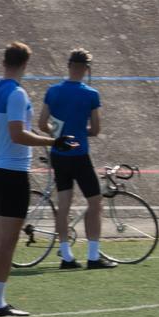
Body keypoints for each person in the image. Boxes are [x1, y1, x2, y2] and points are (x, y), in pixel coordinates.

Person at [0, 42, 78, 317]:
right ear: (25, 64)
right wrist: (54, 141)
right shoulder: (16, 93)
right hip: (12, 172)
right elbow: (18, 134)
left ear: (4, 61)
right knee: (7, 241)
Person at [38, 48, 115, 270]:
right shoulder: (91, 94)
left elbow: (43, 124)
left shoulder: (53, 91)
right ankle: (92, 255)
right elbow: (97, 129)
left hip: (59, 153)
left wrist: (58, 132)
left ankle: (66, 255)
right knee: (94, 202)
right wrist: (81, 131)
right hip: (79, 154)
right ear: (86, 69)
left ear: (69, 66)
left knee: (63, 205)